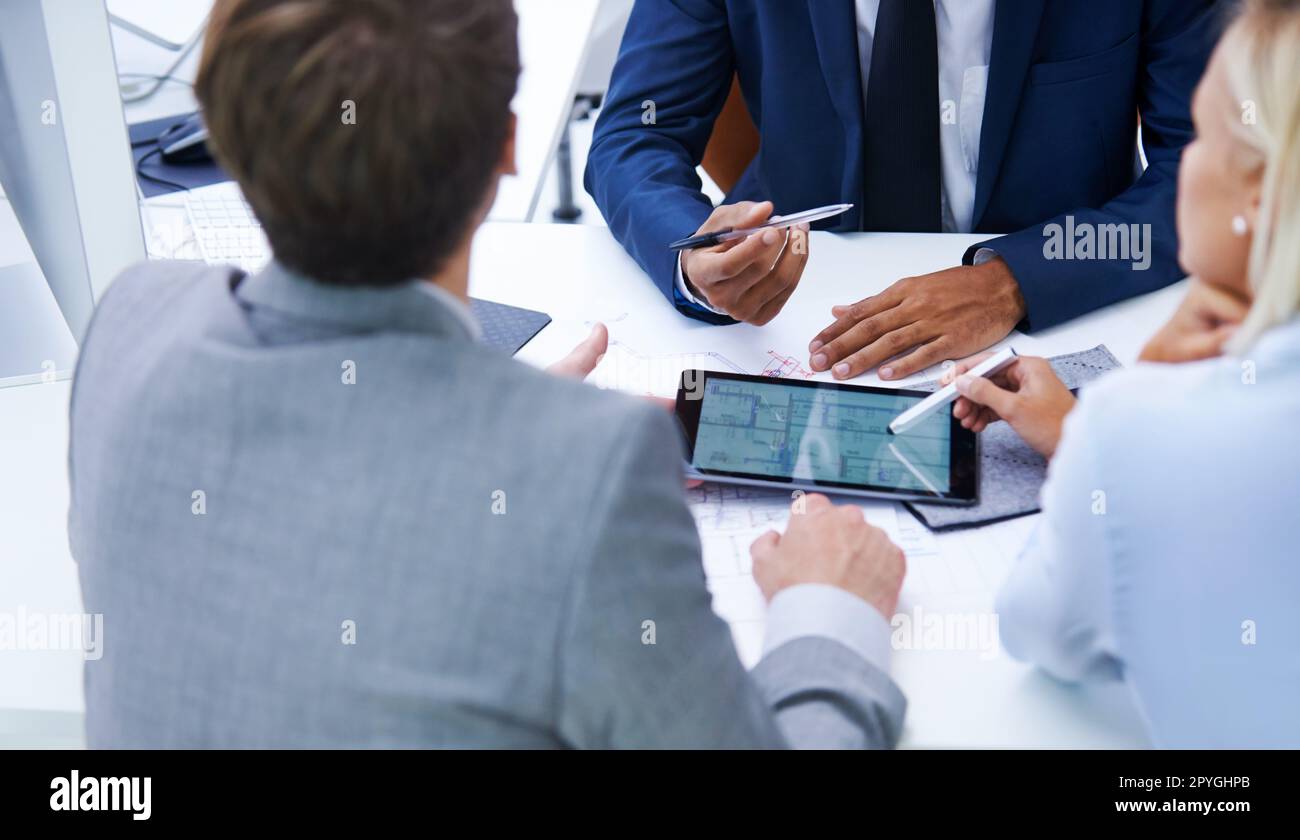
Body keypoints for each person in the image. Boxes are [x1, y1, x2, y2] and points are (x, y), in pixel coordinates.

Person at [69, 0, 909, 749]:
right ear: (507, 148)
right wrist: (828, 613)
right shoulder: (596, 473)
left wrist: (511, 433)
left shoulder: (129, 323)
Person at [938, 0, 1300, 747]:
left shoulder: (1134, 424)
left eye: (1201, 142)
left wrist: (1107, 437)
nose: (1176, 164)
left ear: (1255, 202)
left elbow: (1038, 631)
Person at [585, 0, 1220, 382]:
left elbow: (1215, 177)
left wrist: (1015, 282)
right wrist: (693, 261)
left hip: (1061, 322)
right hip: (794, 324)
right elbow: (635, 135)